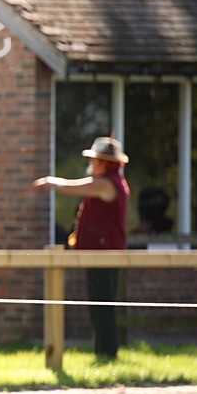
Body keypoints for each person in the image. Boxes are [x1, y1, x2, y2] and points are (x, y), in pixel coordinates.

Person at [33, 136, 130, 359]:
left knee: (102, 306)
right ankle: (104, 353)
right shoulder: (108, 182)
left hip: (105, 255)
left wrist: (52, 182)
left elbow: (79, 186)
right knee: (99, 305)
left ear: (107, 163)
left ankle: (107, 353)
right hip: (101, 254)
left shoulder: (108, 183)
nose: (92, 164)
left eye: (96, 160)